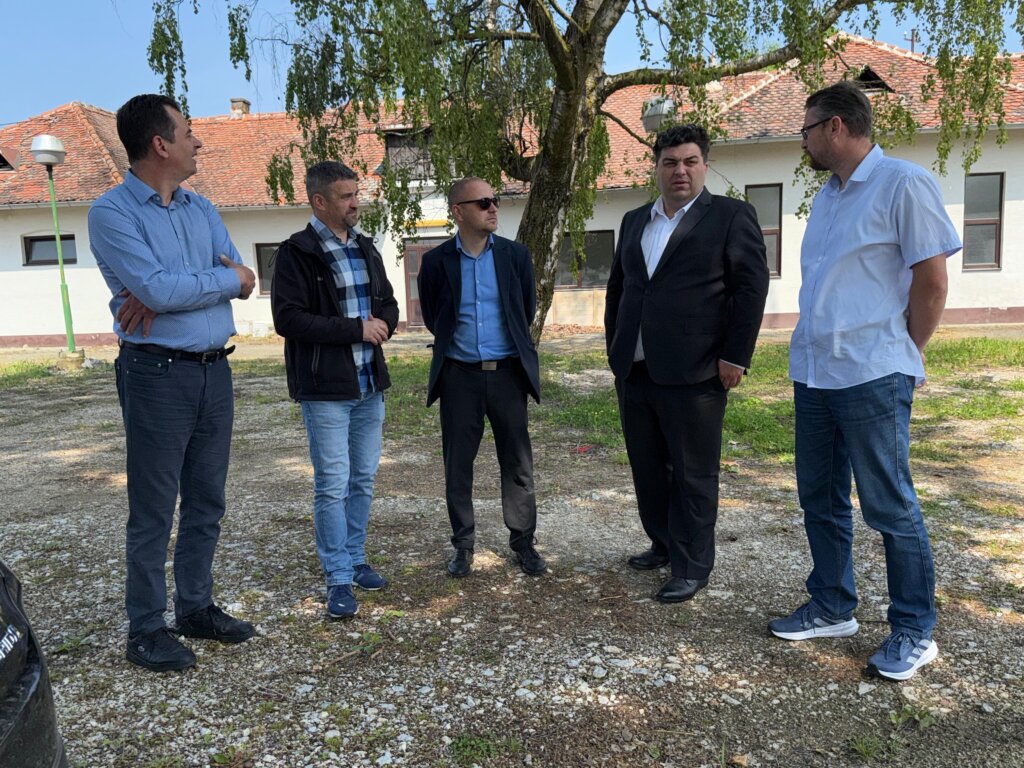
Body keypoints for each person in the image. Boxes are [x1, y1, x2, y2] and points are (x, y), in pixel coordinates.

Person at [768, 81, 961, 681]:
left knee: (888, 504)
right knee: (820, 497)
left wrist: (905, 351)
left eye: (806, 129)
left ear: (835, 126)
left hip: (873, 371)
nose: (802, 141)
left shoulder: (904, 183)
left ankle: (914, 629)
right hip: (816, 372)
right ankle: (832, 606)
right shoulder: (828, 196)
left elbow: (932, 281)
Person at [88, 94, 257, 672]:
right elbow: (169, 288)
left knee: (207, 500)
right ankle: (145, 629)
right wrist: (194, 283)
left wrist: (170, 288)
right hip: (155, 374)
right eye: (188, 132)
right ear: (160, 144)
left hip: (214, 369)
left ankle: (195, 608)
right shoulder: (111, 213)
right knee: (154, 507)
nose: (198, 141)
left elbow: (246, 279)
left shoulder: (201, 208)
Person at [605, 124, 769, 604]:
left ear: (704, 165)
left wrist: (735, 356)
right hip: (636, 369)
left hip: (697, 370)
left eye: (690, 161)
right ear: (656, 167)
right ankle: (662, 543)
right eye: (670, 162)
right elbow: (620, 288)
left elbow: (750, 289)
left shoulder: (731, 216)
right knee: (648, 467)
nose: (680, 170)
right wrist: (615, 346)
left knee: (693, 472)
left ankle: (692, 564)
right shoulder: (634, 220)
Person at [271, 161, 399, 619]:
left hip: (369, 383)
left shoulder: (365, 246)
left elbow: (388, 301)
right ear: (319, 201)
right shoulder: (296, 252)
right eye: (346, 196)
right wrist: (356, 329)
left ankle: (356, 557)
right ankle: (338, 577)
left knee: (362, 478)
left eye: (356, 194)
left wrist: (383, 324)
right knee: (332, 484)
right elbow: (288, 319)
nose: (355, 203)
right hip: (325, 388)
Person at [417, 177, 545, 578]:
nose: (493, 208)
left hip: (507, 375)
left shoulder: (515, 256)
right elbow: (435, 317)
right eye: (483, 202)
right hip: (459, 377)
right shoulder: (436, 262)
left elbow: (524, 310)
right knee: (458, 465)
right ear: (458, 211)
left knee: (518, 464)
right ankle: (463, 545)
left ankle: (523, 543)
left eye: (495, 200)